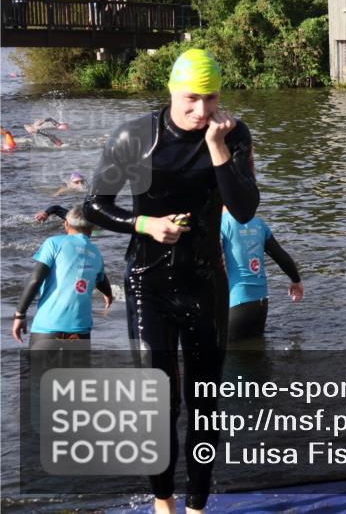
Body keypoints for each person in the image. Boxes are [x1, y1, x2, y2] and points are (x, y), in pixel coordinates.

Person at [84, 48, 258, 514]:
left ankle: (197, 508)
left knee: (205, 405)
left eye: (212, 98)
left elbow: (244, 209)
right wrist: (146, 225)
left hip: (205, 283)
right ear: (172, 92)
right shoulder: (135, 136)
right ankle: (164, 504)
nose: (202, 111)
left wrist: (218, 149)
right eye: (191, 99)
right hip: (148, 283)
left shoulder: (233, 134)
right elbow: (93, 205)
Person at [12, 206, 113, 348]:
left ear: (66, 224)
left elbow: (36, 280)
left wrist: (20, 314)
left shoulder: (53, 243)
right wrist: (108, 295)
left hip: (48, 327)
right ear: (91, 229)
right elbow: (102, 280)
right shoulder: (96, 253)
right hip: (80, 331)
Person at [221, 207, 304, 341]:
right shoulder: (258, 223)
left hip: (236, 305)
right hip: (261, 305)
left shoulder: (220, 224)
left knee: (232, 358)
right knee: (257, 357)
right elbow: (281, 257)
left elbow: (209, 260)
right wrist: (296, 281)